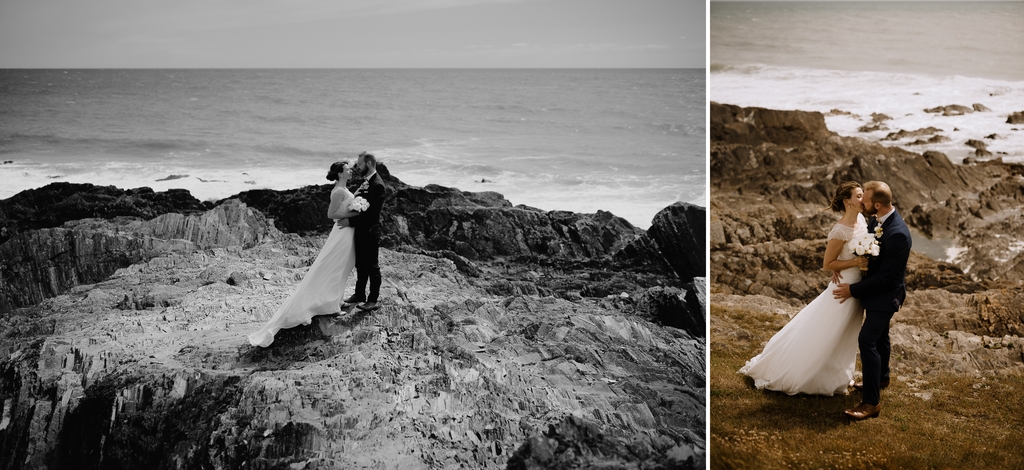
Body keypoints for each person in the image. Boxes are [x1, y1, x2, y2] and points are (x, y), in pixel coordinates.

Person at [738, 181, 869, 395]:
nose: (863, 199)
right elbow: (828, 264)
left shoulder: (862, 220)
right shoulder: (840, 231)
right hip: (843, 287)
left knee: (847, 334)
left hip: (856, 285)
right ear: (847, 201)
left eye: (862, 195)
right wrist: (855, 263)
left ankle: (839, 377)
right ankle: (808, 374)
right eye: (859, 196)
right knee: (829, 332)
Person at [248, 161, 358, 347]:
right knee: (335, 266)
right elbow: (331, 214)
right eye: (347, 169)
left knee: (344, 266)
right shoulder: (339, 191)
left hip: (347, 232)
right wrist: (357, 213)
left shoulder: (343, 188)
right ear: (340, 174)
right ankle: (331, 305)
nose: (351, 170)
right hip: (342, 233)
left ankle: (336, 299)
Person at [833, 181, 912, 420]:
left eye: (864, 200)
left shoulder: (897, 233)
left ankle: (871, 403)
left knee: (866, 340)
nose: (861, 203)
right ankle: (881, 378)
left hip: (886, 296)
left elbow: (887, 279)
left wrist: (853, 289)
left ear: (876, 204)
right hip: (876, 292)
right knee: (881, 338)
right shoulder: (877, 219)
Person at [338, 152, 386, 311]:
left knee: (372, 266)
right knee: (360, 264)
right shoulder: (367, 182)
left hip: (371, 231)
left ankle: (372, 300)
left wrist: (350, 221)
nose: (357, 167)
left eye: (359, 164)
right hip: (360, 230)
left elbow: (372, 215)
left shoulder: (377, 185)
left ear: (369, 164)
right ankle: (359, 294)